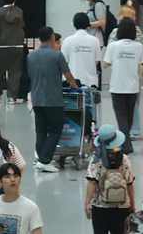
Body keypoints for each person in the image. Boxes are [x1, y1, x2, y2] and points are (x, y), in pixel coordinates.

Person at [26, 25, 74, 171]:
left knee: (41, 130)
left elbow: (30, 75)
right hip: (53, 100)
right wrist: (74, 85)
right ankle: (45, 160)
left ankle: (40, 158)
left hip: (37, 98)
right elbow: (68, 75)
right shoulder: (57, 55)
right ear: (52, 38)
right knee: (55, 129)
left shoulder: (31, 55)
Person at [100, 15, 143, 153]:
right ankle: (126, 141)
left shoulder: (113, 46)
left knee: (121, 116)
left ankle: (126, 144)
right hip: (133, 86)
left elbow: (104, 64)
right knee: (129, 116)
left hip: (117, 86)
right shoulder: (138, 46)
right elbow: (142, 64)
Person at [61, 10, 102, 96]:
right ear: (88, 25)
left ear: (74, 24)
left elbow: (63, 62)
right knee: (91, 106)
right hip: (91, 83)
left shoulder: (67, 41)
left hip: (72, 83)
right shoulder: (95, 41)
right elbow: (97, 61)